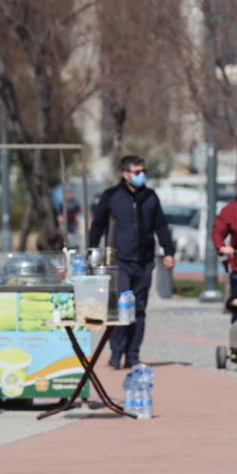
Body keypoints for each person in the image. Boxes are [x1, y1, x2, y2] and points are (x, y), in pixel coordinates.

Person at [89, 155, 176, 369]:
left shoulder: (150, 197)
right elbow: (97, 226)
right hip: (120, 261)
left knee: (138, 309)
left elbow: (161, 226)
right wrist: (92, 252)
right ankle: (116, 352)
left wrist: (168, 251)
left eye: (142, 171)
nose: (141, 176)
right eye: (136, 172)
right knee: (120, 308)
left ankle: (133, 354)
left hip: (144, 261)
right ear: (125, 174)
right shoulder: (111, 196)